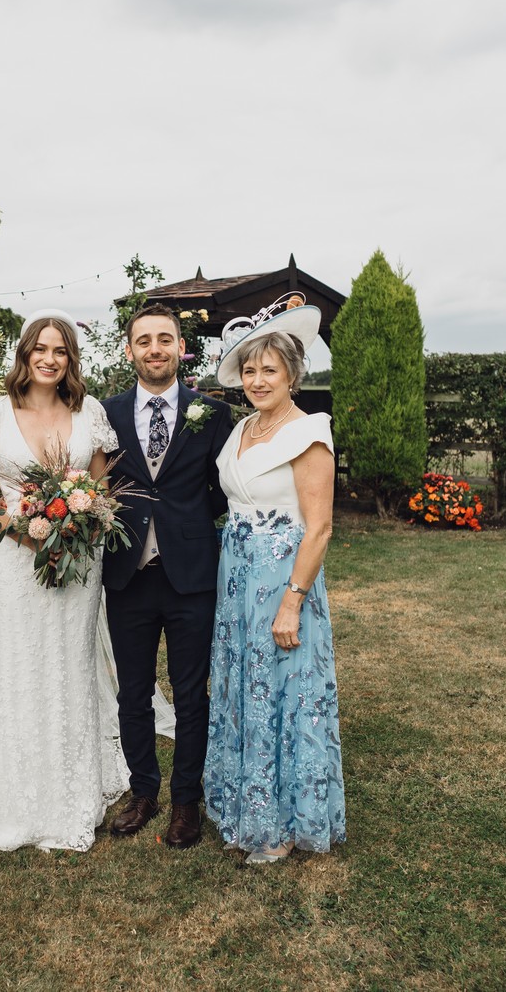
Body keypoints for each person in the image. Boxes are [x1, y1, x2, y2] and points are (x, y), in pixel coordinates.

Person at [0, 311, 128, 851]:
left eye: (60, 350)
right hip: (15, 564)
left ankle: (75, 787)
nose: (49, 359)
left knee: (70, 663)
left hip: (78, 562)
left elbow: (103, 492)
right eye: (40, 349)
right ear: (25, 354)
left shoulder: (90, 412)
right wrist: (25, 532)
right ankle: (17, 792)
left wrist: (77, 525)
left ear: (70, 358)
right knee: (21, 666)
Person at [205, 299, 346, 864]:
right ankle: (247, 805)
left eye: (270, 370)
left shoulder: (308, 434)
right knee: (245, 687)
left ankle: (287, 820)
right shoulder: (242, 427)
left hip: (283, 579)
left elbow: (320, 529)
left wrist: (292, 602)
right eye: (249, 370)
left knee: (285, 693)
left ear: (292, 373)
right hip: (236, 578)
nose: (257, 380)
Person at [100, 304, 234, 849]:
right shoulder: (104, 414)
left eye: (164, 340)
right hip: (128, 573)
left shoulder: (212, 414)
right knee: (132, 692)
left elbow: (225, 487)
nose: (154, 349)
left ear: (181, 348)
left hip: (191, 574)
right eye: (143, 341)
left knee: (189, 692)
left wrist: (187, 520)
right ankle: (143, 791)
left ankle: (185, 801)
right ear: (129, 350)